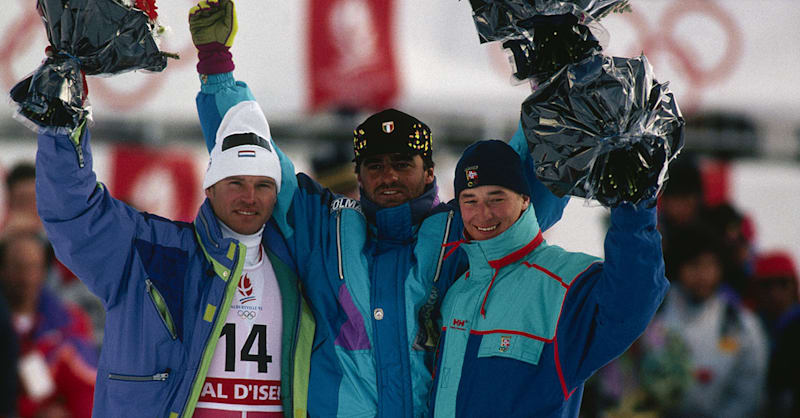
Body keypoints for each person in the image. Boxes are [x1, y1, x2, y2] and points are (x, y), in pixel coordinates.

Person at [189, 1, 568, 416]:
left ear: (429, 174)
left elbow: (526, 179)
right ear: (359, 174)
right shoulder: (326, 228)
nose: (388, 176)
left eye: (403, 164)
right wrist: (216, 66)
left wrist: (553, 81)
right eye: (376, 165)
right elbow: (253, 162)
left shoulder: (466, 227)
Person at [33, 89, 314, 415]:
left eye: (263, 185)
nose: (249, 197)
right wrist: (62, 124)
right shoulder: (154, 254)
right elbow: (76, 213)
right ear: (209, 187)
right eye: (235, 183)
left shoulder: (302, 269)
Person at [424, 140, 668, 417]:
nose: (484, 213)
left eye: (497, 198)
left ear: (525, 199)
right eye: (470, 200)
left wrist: (634, 212)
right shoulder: (457, 291)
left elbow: (631, 301)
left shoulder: (563, 282)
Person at [659, 224, 767, 417]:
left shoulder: (739, 322)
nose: (703, 274)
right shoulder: (655, 314)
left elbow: (750, 385)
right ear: (678, 266)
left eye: (711, 265)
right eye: (694, 265)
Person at [0, 231, 97, 418]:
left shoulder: (69, 321)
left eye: (33, 267)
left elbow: (86, 388)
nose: (26, 278)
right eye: (18, 267)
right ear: (2, 270)